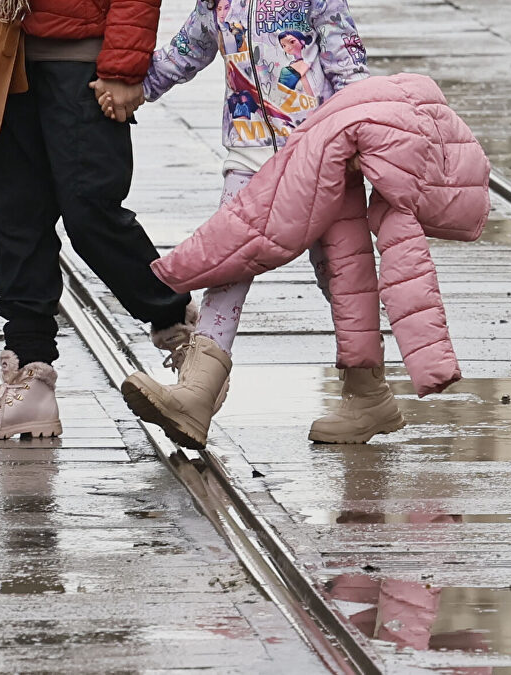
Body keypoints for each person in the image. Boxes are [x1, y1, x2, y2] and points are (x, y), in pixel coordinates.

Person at [0, 0, 195, 440]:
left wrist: (122, 67)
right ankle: (29, 375)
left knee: (90, 212)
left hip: (82, 63)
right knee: (14, 221)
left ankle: (178, 326)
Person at [93, 0, 379, 448]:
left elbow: (348, 62)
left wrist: (360, 134)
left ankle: (368, 395)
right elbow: (185, 51)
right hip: (248, 157)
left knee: (343, 274)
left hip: (322, 155)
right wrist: (134, 88)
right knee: (228, 266)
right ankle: (197, 395)